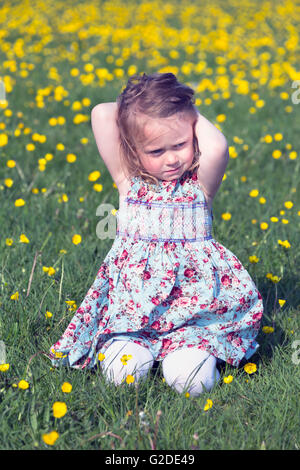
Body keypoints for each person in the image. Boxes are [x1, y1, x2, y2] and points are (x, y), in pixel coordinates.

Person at [49, 72, 263, 397]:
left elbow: (217, 146)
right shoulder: (127, 180)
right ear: (134, 150)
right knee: (121, 375)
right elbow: (102, 114)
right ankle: (138, 349)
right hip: (133, 313)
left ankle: (188, 353)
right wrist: (143, 110)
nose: (172, 158)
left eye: (180, 144)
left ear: (192, 133)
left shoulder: (199, 187)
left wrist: (185, 110)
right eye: (156, 151)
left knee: (191, 382)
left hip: (192, 318)